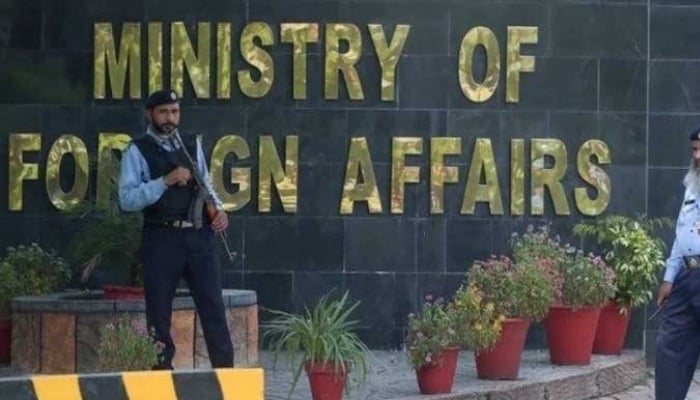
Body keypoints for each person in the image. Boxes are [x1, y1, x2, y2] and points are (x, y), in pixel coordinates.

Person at [118, 89, 234, 369]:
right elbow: (127, 200)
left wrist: (219, 211)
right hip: (162, 238)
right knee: (158, 313)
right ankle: (161, 376)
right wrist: (164, 181)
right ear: (150, 114)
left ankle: (225, 377)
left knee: (214, 309)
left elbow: (206, 185)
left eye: (174, 112)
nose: (169, 118)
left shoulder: (191, 145)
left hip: (199, 236)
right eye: (163, 112)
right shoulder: (137, 150)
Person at [655, 126, 700, 399]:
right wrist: (669, 277)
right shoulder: (692, 185)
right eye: (694, 150)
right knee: (670, 346)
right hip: (686, 276)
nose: (697, 156)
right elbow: (681, 234)